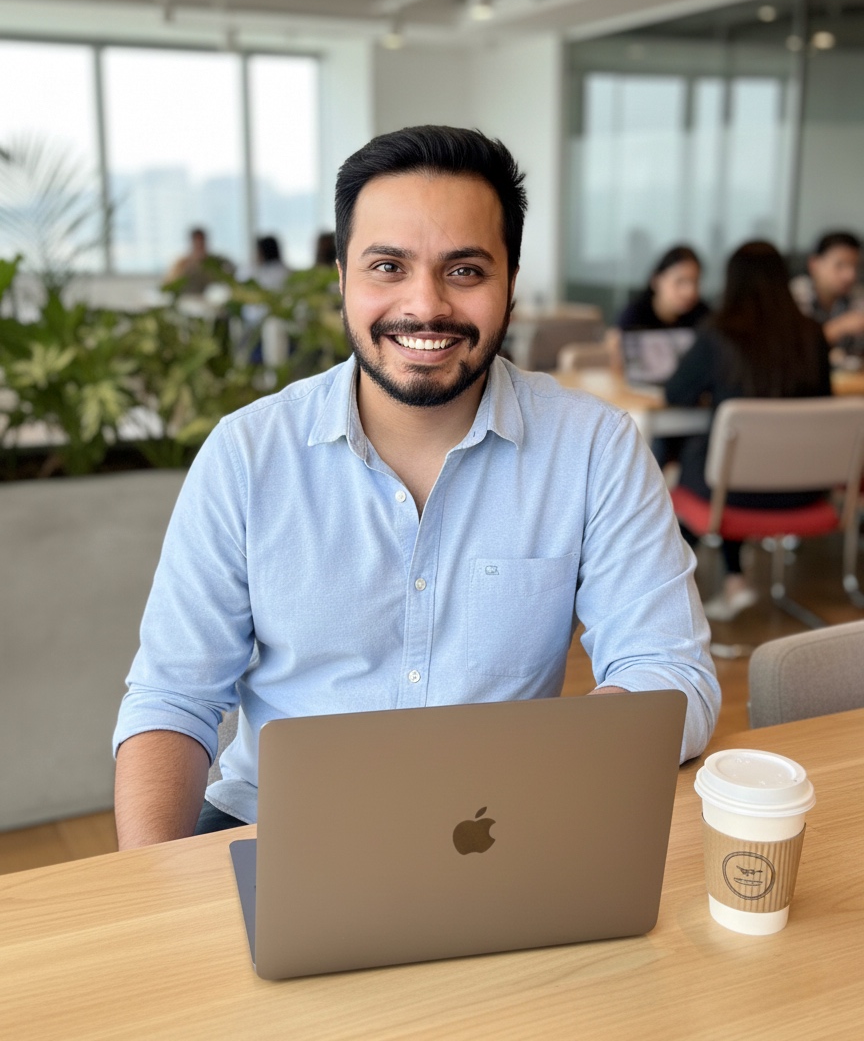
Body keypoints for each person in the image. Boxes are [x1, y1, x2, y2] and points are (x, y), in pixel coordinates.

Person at [113, 125, 719, 849]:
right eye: (388, 266)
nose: (426, 306)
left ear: (511, 285)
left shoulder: (595, 448)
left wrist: (560, 764)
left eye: (465, 270)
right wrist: (148, 894)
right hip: (273, 826)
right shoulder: (247, 454)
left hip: (495, 827)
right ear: (342, 278)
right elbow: (172, 700)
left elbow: (670, 669)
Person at [666, 241, 831, 622]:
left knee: (702, 460)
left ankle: (677, 589)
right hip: (804, 493)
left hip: (735, 494)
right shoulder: (812, 334)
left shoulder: (718, 334)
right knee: (728, 459)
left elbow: (677, 392)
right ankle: (732, 579)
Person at [789, 231, 864, 356]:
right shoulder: (795, 295)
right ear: (814, 264)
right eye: (840, 265)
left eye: (855, 266)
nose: (850, 275)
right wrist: (839, 327)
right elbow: (792, 346)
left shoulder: (856, 296)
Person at [617, 246, 710, 332]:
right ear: (656, 281)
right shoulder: (633, 318)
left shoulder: (704, 317)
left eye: (695, 282)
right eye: (680, 282)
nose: (690, 292)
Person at [163, 227, 235, 295]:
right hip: (188, 300)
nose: (199, 245)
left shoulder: (215, 262)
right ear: (192, 243)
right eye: (197, 242)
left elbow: (231, 272)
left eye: (202, 242)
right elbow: (169, 283)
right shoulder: (182, 263)